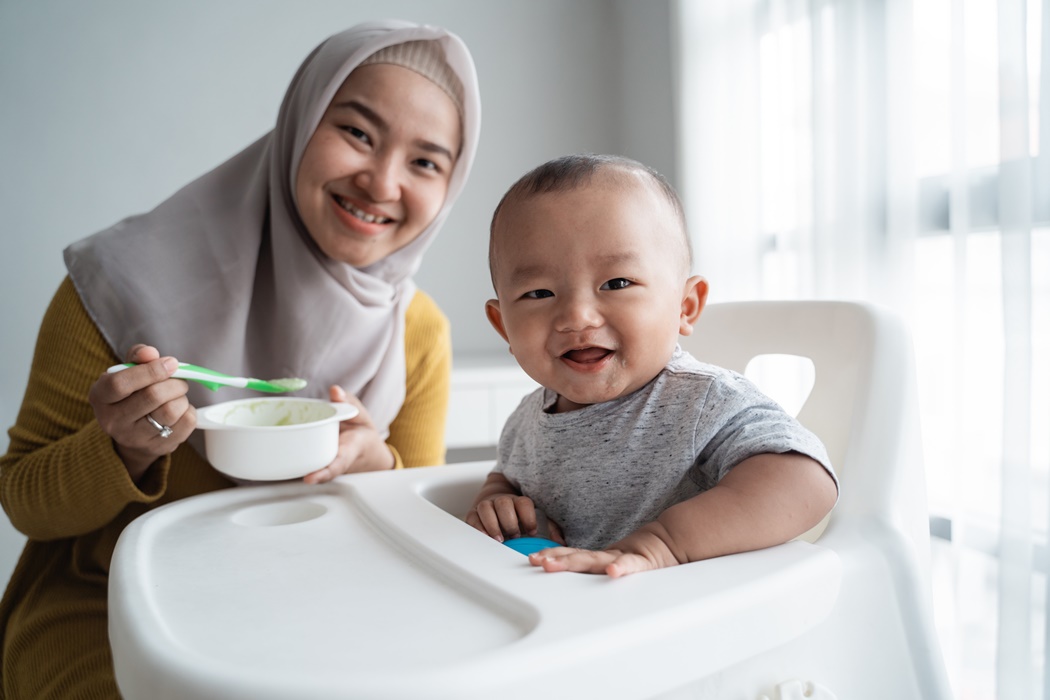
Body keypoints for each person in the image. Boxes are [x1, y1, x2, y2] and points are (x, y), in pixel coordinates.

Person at [0, 19, 480, 698]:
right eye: (358, 133)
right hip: (108, 613)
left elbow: (419, 544)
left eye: (425, 161)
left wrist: (383, 471)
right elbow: (25, 501)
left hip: (320, 623)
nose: (382, 182)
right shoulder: (119, 284)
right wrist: (123, 451)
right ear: (298, 126)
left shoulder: (418, 332)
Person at [465, 154, 838, 579]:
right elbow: (511, 476)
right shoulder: (525, 421)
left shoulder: (702, 401)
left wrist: (663, 544)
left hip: (689, 614)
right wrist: (497, 501)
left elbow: (807, 482)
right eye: (539, 293)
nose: (577, 316)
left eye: (617, 283)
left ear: (686, 306)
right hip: (581, 617)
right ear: (503, 327)